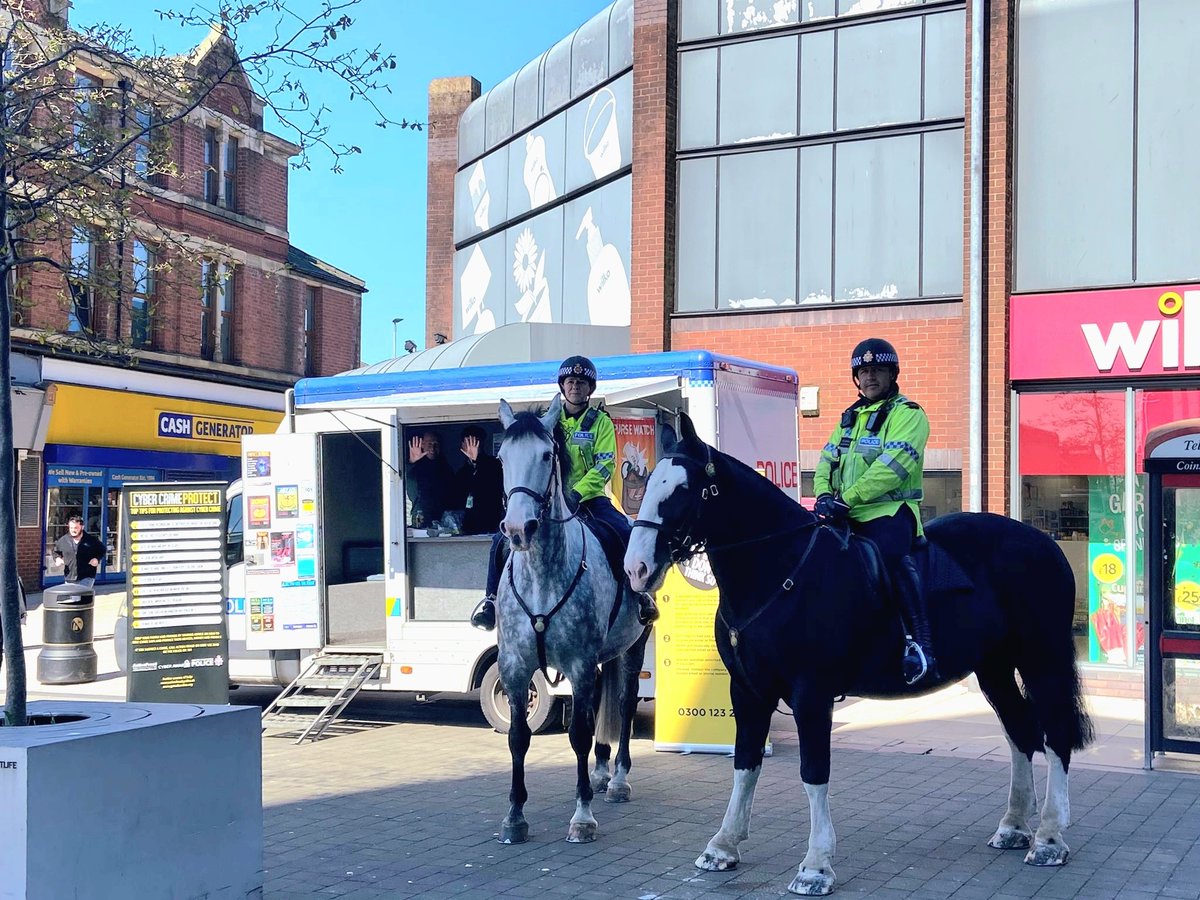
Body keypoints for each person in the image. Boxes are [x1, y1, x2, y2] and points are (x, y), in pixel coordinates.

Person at [470, 355, 659, 630]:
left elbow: (605, 465)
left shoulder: (600, 422)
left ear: (590, 389)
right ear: (562, 386)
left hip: (589, 498)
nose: (575, 387)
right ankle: (490, 601)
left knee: (623, 531)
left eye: (581, 383)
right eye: (570, 381)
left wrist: (577, 492)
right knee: (499, 540)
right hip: (547, 501)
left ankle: (640, 596)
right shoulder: (547, 420)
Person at [812, 338, 937, 685]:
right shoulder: (848, 418)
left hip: (890, 511)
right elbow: (825, 460)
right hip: (844, 511)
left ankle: (920, 644)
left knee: (890, 558)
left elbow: (892, 466)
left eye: (877, 370)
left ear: (892, 374)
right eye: (864, 371)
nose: (870, 377)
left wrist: (846, 498)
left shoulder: (908, 414)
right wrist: (823, 493)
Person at [453, 424, 505, 535]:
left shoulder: (495, 465)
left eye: (475, 441)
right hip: (467, 527)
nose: (472, 446)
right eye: (468, 442)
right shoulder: (461, 472)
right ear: (462, 444)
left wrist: (476, 461)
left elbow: (492, 489)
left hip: (491, 525)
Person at [405, 428, 456, 528]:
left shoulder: (445, 468)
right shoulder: (414, 467)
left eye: (436, 444)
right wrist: (411, 462)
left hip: (443, 520)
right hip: (420, 519)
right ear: (422, 445)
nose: (432, 448)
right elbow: (400, 478)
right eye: (429, 444)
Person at [53, 514, 106, 587]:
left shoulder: (91, 540)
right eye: (71, 528)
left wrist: (96, 559)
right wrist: (57, 558)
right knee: (75, 598)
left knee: (82, 597)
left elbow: (102, 549)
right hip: (70, 576)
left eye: (76, 528)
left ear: (82, 527)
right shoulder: (63, 540)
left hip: (87, 576)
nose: (73, 530)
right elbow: (56, 552)